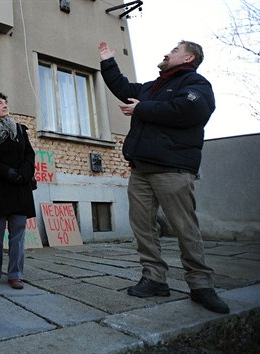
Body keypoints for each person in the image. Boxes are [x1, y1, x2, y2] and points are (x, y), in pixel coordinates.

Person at [98, 40, 230, 314]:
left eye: (174, 50)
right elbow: (123, 89)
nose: (166, 53)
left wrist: (142, 109)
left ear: (188, 57)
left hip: (173, 168)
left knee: (185, 228)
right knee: (143, 227)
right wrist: (108, 62)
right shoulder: (152, 87)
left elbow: (189, 110)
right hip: (141, 168)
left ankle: (200, 284)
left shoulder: (195, 83)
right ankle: (154, 278)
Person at [0, 92, 36, 290]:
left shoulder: (19, 129)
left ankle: (15, 274)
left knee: (18, 235)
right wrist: (6, 172)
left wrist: (24, 173)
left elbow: (29, 154)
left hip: (20, 188)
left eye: (5, 101)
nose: (4, 104)